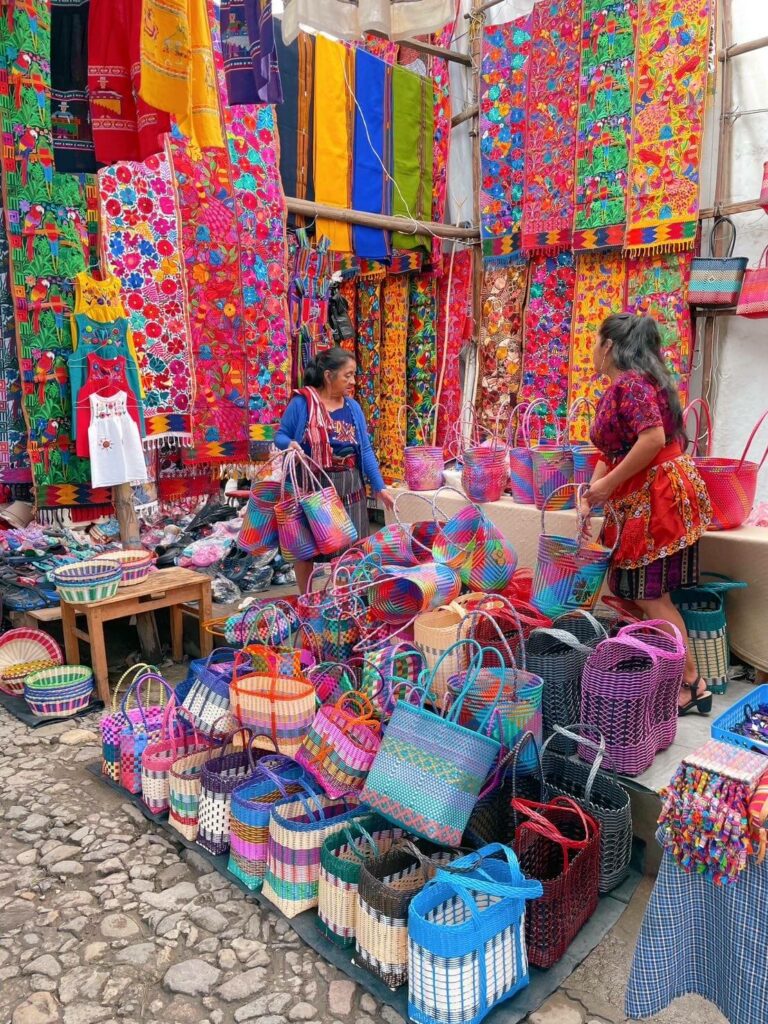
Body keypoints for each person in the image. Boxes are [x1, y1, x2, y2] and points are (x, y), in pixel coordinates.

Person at [581, 313, 713, 716]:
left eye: (595, 340)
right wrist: (593, 492)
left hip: (657, 498)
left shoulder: (632, 383)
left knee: (652, 597)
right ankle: (674, 674)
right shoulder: (635, 383)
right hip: (646, 495)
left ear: (608, 345)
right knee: (643, 595)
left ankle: (692, 682)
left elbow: (653, 439)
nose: (591, 348)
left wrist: (604, 486)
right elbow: (616, 450)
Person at [275, 347, 393, 594]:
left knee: (351, 547)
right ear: (328, 376)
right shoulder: (301, 403)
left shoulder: (352, 408)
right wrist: (291, 444)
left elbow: (366, 451)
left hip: (348, 484)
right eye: (347, 375)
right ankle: (307, 598)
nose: (352, 381)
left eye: (353, 375)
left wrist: (380, 488)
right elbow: (281, 435)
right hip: (311, 483)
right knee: (306, 547)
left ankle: (346, 598)